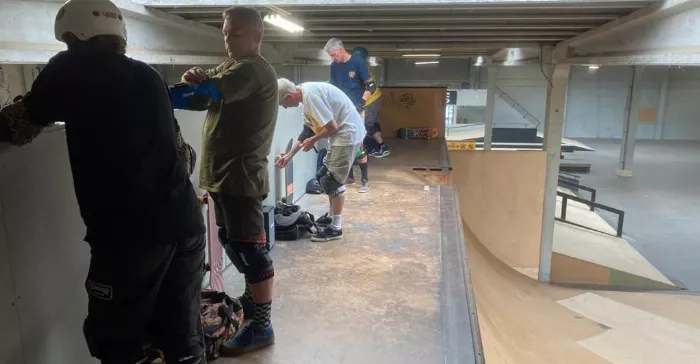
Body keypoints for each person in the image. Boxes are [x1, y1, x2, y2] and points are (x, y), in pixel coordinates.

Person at [0, 0, 207, 363]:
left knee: (114, 339)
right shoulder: (149, 76)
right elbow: (184, 156)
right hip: (185, 223)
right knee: (181, 337)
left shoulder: (68, 69)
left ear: (71, 36)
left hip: (129, 236)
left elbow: (18, 124)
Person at [180, 5, 278, 356]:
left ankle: (262, 325)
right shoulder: (230, 67)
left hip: (241, 176)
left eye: (235, 33)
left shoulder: (253, 69)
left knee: (251, 251)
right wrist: (197, 78)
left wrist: (191, 83)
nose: (228, 39)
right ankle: (252, 304)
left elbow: (215, 90)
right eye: (225, 32)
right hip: (223, 177)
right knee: (234, 242)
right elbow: (203, 96)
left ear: (256, 36)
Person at [276, 78, 366, 242]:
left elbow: (332, 127)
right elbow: (307, 131)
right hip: (339, 135)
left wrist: (314, 140)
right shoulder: (304, 97)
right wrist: (289, 156)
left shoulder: (311, 97)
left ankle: (336, 228)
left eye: (283, 103)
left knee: (333, 182)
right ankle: (331, 217)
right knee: (322, 176)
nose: (284, 107)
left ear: (289, 96)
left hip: (347, 134)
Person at [324, 38, 390, 158]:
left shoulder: (358, 62)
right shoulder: (334, 66)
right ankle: (348, 167)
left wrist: (361, 104)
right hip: (342, 107)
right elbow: (333, 87)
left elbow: (370, 85)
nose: (332, 58)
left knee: (360, 135)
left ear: (340, 50)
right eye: (330, 56)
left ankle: (365, 170)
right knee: (344, 137)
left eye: (333, 55)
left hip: (358, 105)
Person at [351, 47, 390, 158]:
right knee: (373, 123)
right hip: (376, 97)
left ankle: (382, 146)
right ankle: (376, 147)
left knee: (366, 124)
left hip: (370, 100)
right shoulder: (363, 66)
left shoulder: (358, 67)